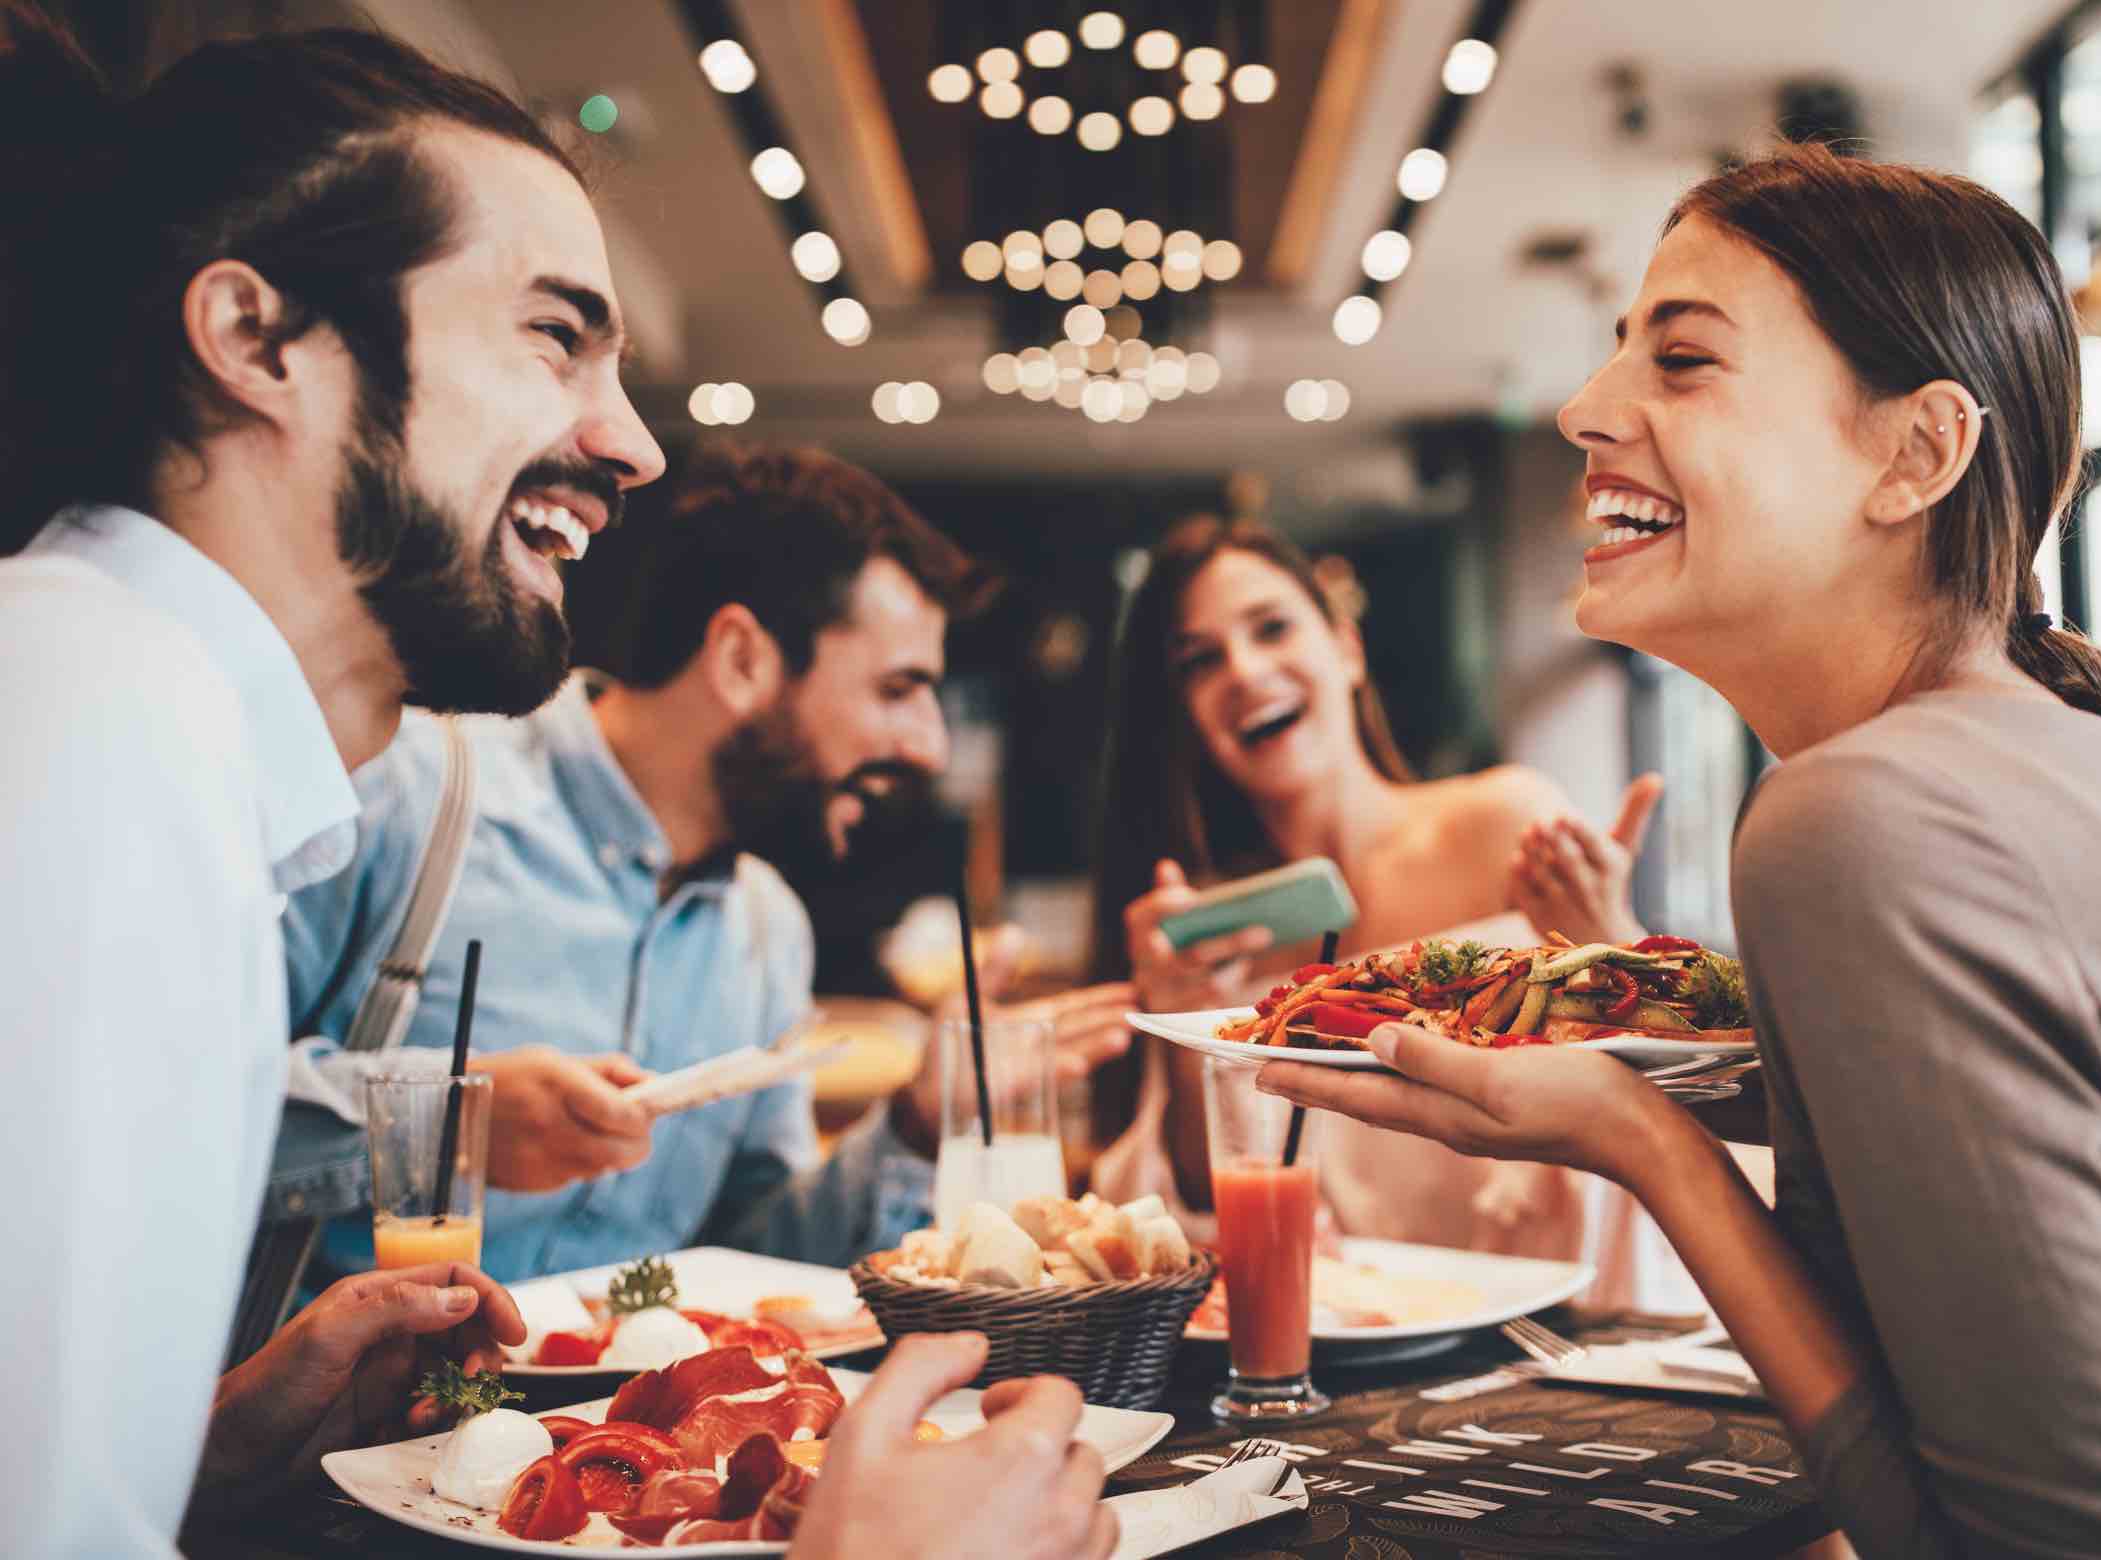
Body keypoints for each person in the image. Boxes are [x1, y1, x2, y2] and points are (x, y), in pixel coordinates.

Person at [0, 17, 1104, 1556]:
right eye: (550, 336)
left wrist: (211, 1458)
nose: (633, 448)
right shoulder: (93, 730)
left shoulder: (145, 722)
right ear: (258, 342)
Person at [1259, 144, 2101, 1556]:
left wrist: (1642, 1138)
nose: (1589, 413)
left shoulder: (1860, 813)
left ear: (1914, 456)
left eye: (1684, 361)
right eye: (1616, 357)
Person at [286, 445, 1135, 1282]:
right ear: (740, 660)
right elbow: (177, 1104)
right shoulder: (405, 793)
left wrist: (916, 1123)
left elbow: (758, 1263)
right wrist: (449, 1124)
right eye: (897, 689)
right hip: (352, 1419)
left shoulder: (767, 928)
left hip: (621, 1421)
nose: (930, 744)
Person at [1086, 516, 1692, 1307]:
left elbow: (1655, 1096)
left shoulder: (1503, 827)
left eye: (1271, 629)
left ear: (1346, 648)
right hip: (1343, 1350)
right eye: (1200, 662)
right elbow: (1209, 1206)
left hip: (1563, 1317)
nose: (1243, 670)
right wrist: (1180, 1025)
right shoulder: (1218, 936)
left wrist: (1613, 944)